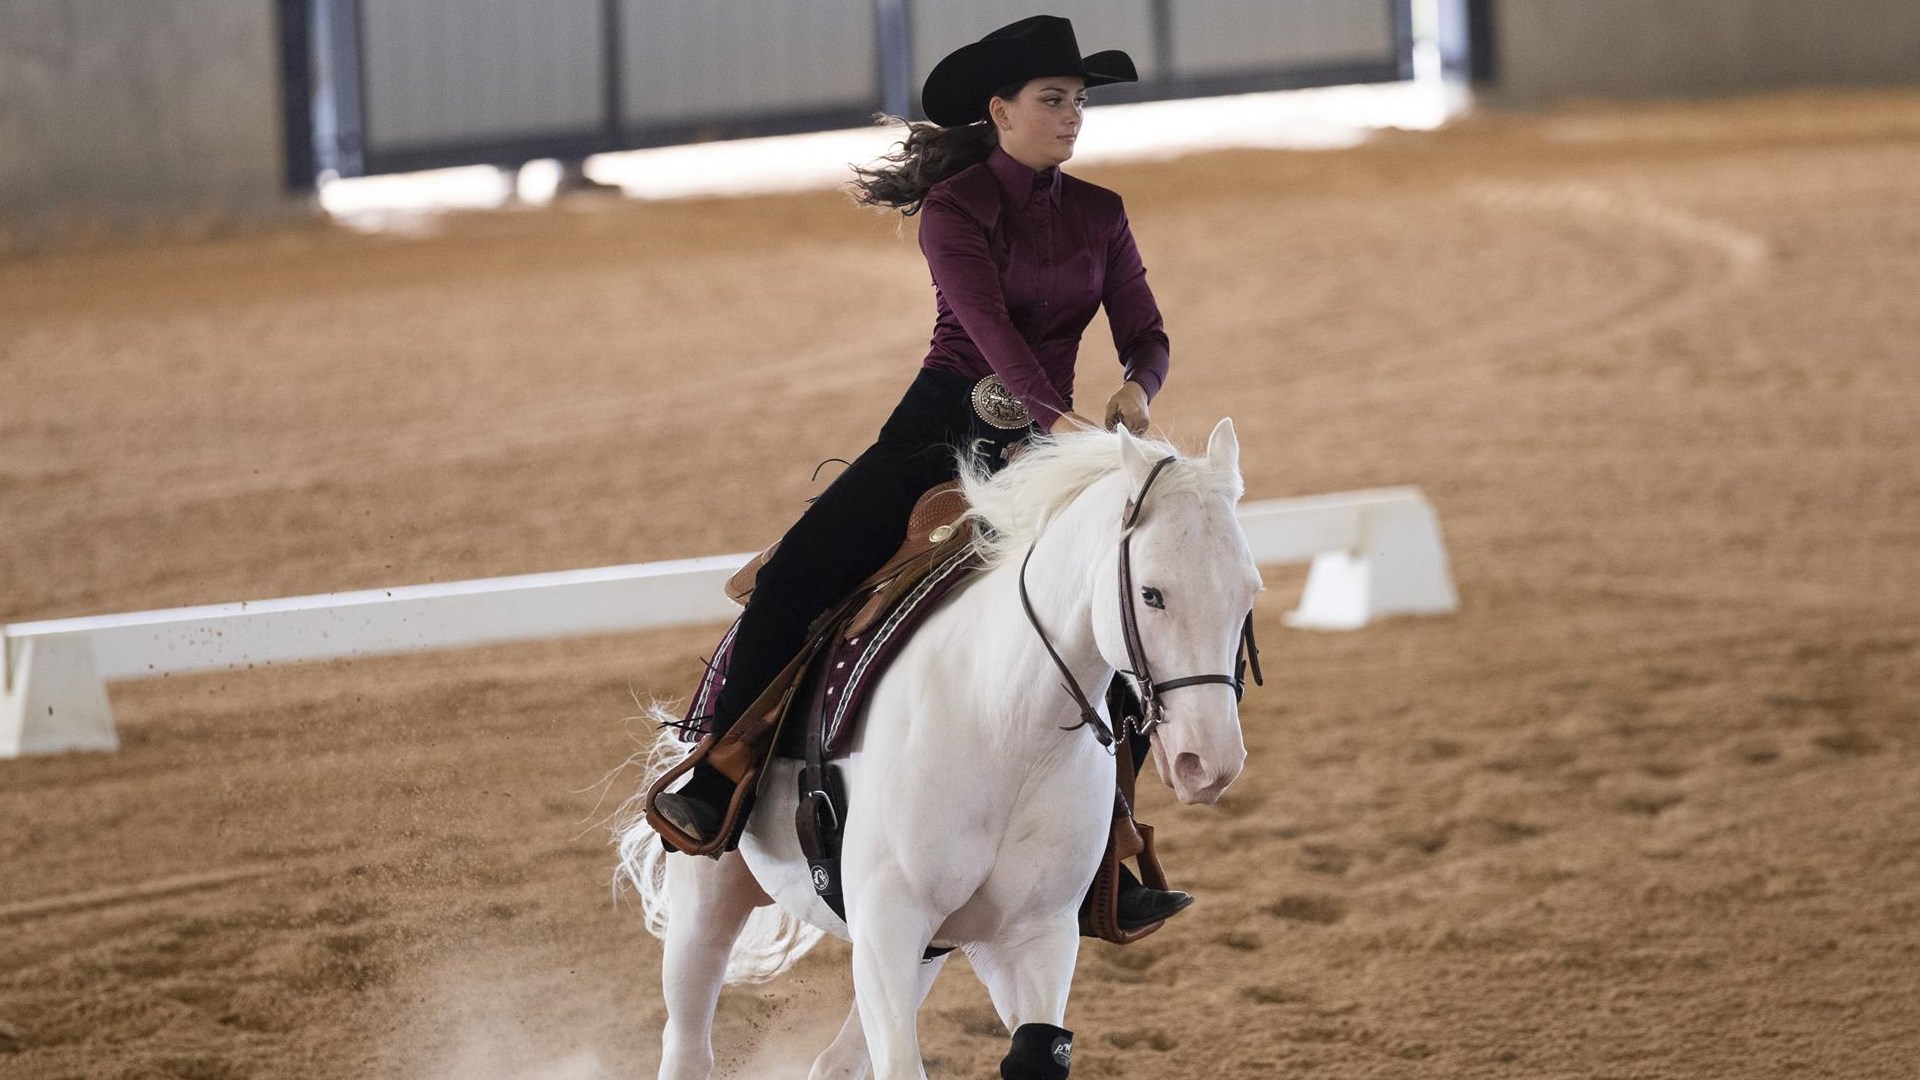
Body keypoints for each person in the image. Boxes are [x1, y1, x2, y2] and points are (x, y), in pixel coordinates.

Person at [653, 15, 1189, 930]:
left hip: (1046, 453)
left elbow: (1148, 331)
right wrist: (1058, 422)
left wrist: (1137, 389)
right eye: (1054, 100)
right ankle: (723, 768)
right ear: (1001, 111)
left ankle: (1116, 844)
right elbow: (992, 336)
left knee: (1121, 618)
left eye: (1080, 102)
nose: (1073, 117)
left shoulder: (1102, 212)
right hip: (936, 433)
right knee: (790, 581)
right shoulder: (957, 209)